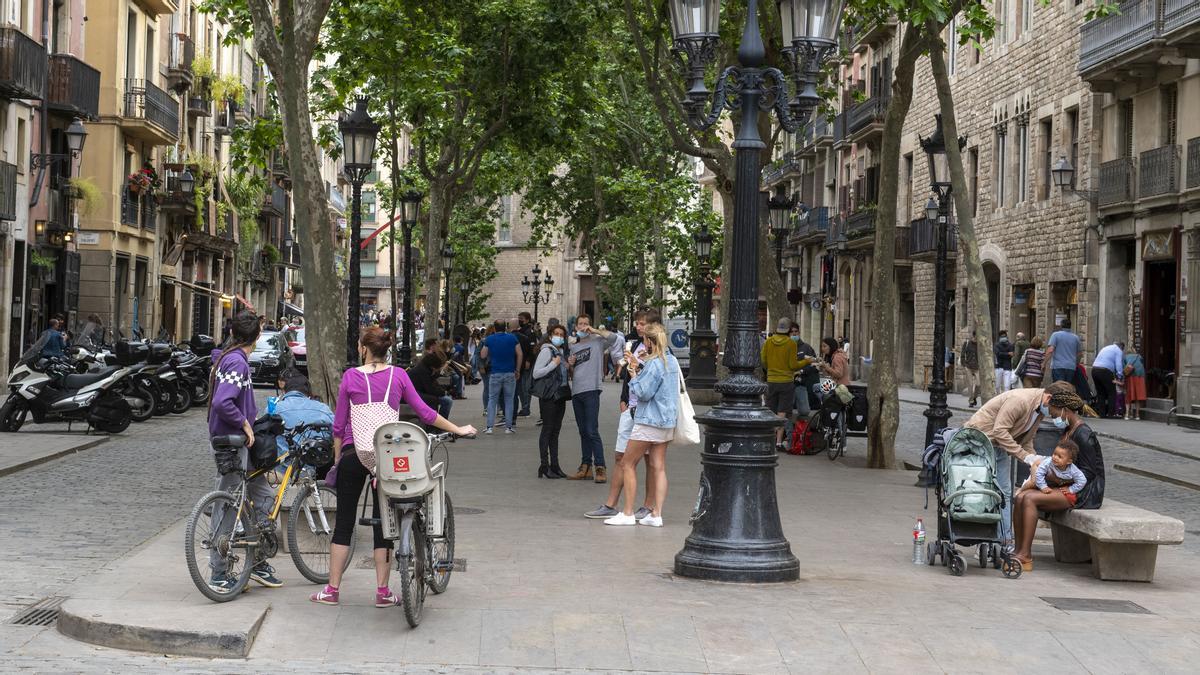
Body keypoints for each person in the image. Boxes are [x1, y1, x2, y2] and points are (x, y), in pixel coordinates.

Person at [310, 327, 476, 607]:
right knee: (383, 526)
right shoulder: (398, 375)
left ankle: (332, 590)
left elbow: (338, 426)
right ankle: (383, 592)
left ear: (364, 348)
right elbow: (425, 412)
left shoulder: (351, 377)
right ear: (387, 349)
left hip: (354, 453)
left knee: (344, 524)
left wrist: (339, 460)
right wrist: (457, 428)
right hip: (386, 458)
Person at [206, 311, 282, 591]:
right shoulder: (237, 364)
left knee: (263, 497)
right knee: (228, 503)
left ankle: (258, 560)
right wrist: (245, 424)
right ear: (257, 336)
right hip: (233, 442)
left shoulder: (230, 358)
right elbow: (222, 403)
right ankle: (219, 571)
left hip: (238, 442)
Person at [962, 380, 1076, 553]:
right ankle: (990, 540)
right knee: (989, 493)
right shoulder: (1020, 400)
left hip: (997, 447)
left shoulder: (1040, 409)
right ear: (1049, 398)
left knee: (1005, 493)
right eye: (1058, 411)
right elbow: (1000, 430)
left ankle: (1004, 541)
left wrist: (1034, 459)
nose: (1056, 416)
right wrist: (1026, 456)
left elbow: (1027, 438)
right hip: (980, 442)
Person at [1011, 388, 1104, 571]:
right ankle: (1018, 549)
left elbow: (1089, 474)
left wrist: (1059, 481)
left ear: (1065, 410)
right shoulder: (1069, 430)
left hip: (1084, 491)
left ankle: (1026, 554)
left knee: (1030, 499)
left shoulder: (1084, 434)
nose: (1053, 417)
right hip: (1065, 484)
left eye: (1054, 413)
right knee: (1020, 496)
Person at [586, 309, 660, 520]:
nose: (638, 326)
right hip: (630, 408)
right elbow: (629, 376)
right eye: (637, 323)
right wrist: (623, 399)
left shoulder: (661, 352)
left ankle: (647, 505)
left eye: (643, 323)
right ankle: (611, 504)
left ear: (654, 326)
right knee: (620, 456)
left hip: (647, 411)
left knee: (648, 460)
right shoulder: (635, 346)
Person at [604, 322, 679, 527]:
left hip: (649, 420)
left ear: (648, 341)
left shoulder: (655, 364)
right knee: (659, 466)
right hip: (667, 421)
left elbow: (644, 393)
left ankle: (627, 512)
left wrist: (635, 374)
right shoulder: (672, 361)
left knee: (627, 463)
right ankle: (656, 514)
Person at [565, 315, 621, 483]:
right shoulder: (573, 346)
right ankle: (585, 466)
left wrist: (596, 330)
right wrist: (571, 364)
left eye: (586, 324)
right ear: (575, 327)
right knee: (583, 431)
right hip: (577, 391)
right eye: (580, 324)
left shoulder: (597, 341)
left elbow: (615, 338)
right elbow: (572, 372)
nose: (583, 327)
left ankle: (600, 466)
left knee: (591, 430)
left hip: (592, 389)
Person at [272, 371, 335, 469]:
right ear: (308, 391)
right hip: (317, 467)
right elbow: (337, 434)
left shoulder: (275, 409)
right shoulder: (324, 409)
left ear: (285, 391)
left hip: (282, 470)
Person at [532, 324, 570, 479]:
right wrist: (552, 365)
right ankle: (544, 465)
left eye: (561, 335)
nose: (559, 337)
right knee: (547, 430)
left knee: (555, 431)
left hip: (559, 395)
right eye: (556, 334)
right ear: (549, 335)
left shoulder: (559, 351)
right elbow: (536, 373)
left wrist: (567, 365)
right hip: (549, 396)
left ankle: (555, 465)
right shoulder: (546, 350)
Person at [762, 318, 805, 451]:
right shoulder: (790, 344)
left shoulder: (768, 342)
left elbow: (763, 360)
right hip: (786, 382)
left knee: (770, 411)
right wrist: (806, 362)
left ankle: (768, 439)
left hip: (771, 381)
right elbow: (793, 365)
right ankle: (779, 442)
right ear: (788, 330)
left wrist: (771, 370)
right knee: (782, 413)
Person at [479, 319, 522, 434]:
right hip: (510, 373)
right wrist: (517, 369)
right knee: (509, 400)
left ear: (494, 328)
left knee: (492, 399)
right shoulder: (512, 338)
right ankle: (509, 427)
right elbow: (520, 354)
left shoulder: (490, 339)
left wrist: (486, 344)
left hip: (495, 373)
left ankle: (489, 427)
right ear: (505, 327)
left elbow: (483, 355)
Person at [408, 348, 452, 420]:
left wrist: (438, 374)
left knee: (444, 400)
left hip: (417, 391)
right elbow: (429, 389)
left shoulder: (424, 367)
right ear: (433, 366)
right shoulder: (423, 371)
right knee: (447, 401)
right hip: (414, 393)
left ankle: (439, 423)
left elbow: (429, 382)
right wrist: (444, 392)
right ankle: (440, 423)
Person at [790, 324, 819, 418]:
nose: (794, 334)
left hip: (801, 384)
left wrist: (801, 371)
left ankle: (801, 429)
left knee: (805, 411)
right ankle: (788, 432)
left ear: (799, 332)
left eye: (796, 331)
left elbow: (813, 365)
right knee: (786, 410)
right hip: (787, 383)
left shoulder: (806, 347)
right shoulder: (786, 347)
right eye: (792, 332)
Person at [1091, 340, 1125, 419]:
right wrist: (1119, 376)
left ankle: (1101, 414)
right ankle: (1110, 414)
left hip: (1095, 369)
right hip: (1105, 371)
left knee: (1100, 393)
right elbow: (1119, 364)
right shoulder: (1118, 350)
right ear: (1121, 347)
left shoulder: (1106, 348)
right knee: (1112, 392)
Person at [1045, 318, 1082, 385]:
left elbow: (1050, 350)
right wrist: (1076, 363)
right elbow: (1079, 353)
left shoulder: (1055, 335)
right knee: (1068, 387)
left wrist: (1044, 363)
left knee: (1059, 387)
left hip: (1058, 366)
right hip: (1071, 367)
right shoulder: (1076, 337)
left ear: (1061, 325)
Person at [515, 312, 537, 417]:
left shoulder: (530, 332)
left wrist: (528, 360)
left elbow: (532, 348)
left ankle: (526, 408)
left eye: (522, 319)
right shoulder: (521, 331)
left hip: (526, 363)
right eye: (519, 318)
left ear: (527, 320)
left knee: (525, 387)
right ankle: (524, 406)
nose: (520, 320)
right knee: (520, 387)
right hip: (520, 363)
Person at [1123, 347, 1147, 421]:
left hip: (1131, 377)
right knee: (1138, 396)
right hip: (1140, 377)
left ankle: (1127, 414)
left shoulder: (1125, 357)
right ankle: (1137, 415)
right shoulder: (1139, 356)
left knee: (1128, 395)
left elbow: (1124, 369)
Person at [960, 330, 981, 407]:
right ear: (974, 335)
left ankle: (974, 397)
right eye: (977, 336)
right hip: (968, 366)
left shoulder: (980, 344)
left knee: (979, 384)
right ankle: (971, 401)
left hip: (977, 367)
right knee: (970, 384)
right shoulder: (967, 343)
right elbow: (962, 354)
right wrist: (964, 364)